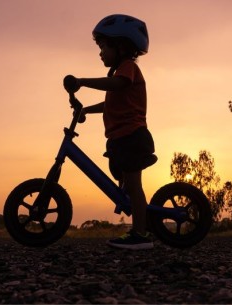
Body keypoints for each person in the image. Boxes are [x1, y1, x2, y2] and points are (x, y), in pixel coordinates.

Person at [64, 14, 157, 250]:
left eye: (103, 46)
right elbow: (111, 104)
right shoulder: (119, 74)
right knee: (126, 183)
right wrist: (85, 109)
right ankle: (140, 224)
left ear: (122, 45)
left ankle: (140, 234)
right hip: (121, 139)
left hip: (132, 136)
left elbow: (116, 86)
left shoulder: (128, 68)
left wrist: (82, 81)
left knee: (134, 185)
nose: (100, 52)